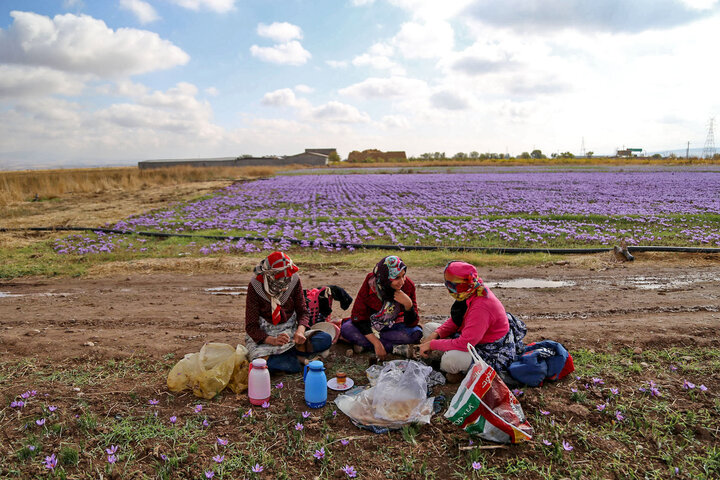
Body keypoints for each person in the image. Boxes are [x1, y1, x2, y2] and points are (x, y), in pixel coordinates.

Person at [419, 261, 526, 382]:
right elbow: (457, 320)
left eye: (450, 285)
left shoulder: (481, 307)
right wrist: (436, 334)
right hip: (473, 338)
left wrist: (432, 344)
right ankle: (444, 357)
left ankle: (459, 373)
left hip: (490, 350)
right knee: (429, 328)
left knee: (450, 360)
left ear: (457, 286)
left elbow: (465, 343)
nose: (448, 288)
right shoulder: (471, 290)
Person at [245, 251, 333, 373]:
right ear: (270, 276)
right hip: (265, 337)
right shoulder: (256, 286)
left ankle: (292, 355)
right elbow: (251, 326)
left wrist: (300, 332)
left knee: (325, 339)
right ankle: (299, 357)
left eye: (288, 278)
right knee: (284, 365)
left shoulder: (294, 280)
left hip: (290, 333)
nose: (285, 283)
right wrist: (272, 340)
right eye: (281, 278)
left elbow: (303, 312)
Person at [340, 255, 422, 360]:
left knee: (415, 333)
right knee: (347, 329)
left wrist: (408, 305)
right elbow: (358, 317)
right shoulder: (371, 284)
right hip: (371, 325)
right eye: (396, 278)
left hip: (393, 325)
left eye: (403, 275)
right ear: (385, 278)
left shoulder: (408, 286)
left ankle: (364, 344)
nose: (402, 282)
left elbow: (412, 323)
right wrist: (376, 343)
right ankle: (394, 348)